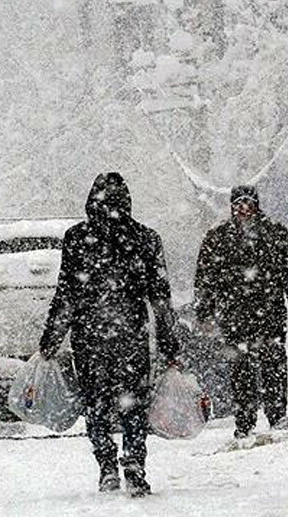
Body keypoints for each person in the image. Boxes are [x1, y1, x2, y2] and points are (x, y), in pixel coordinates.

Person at [39, 172, 180, 498]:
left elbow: (67, 295)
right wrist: (169, 342)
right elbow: (160, 297)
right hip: (130, 336)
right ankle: (134, 465)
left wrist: (51, 338)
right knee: (133, 406)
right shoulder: (145, 238)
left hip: (90, 338)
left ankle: (106, 466)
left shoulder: (77, 238)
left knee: (97, 404)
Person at [195, 185, 288, 438]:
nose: (244, 208)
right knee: (241, 370)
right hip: (235, 314)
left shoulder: (275, 232)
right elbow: (205, 277)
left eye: (248, 203)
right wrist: (205, 311)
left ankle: (277, 414)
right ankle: (245, 420)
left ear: (257, 205)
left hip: (269, 311)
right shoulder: (218, 236)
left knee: (274, 365)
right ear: (231, 206)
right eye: (239, 203)